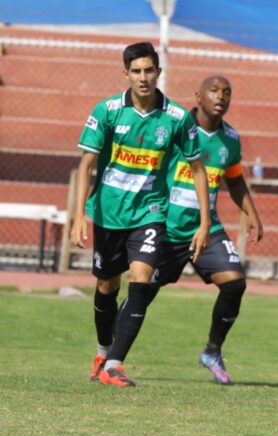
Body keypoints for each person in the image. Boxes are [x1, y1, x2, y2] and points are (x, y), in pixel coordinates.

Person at [71, 42, 211, 387]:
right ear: (126, 74)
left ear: (158, 72)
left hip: (150, 212)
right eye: (136, 71)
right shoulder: (107, 111)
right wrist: (77, 216)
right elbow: (87, 163)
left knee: (142, 277)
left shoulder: (177, 118)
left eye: (149, 70)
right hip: (108, 212)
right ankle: (104, 351)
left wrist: (205, 222)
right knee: (106, 285)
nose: (143, 77)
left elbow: (197, 169)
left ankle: (115, 365)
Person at [147, 75, 263, 384]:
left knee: (235, 282)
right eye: (214, 90)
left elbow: (235, 180)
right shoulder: (177, 127)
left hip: (206, 228)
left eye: (227, 92)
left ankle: (212, 351)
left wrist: (252, 213)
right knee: (141, 291)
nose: (220, 96)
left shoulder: (230, 139)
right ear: (198, 96)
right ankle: (110, 356)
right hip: (166, 228)